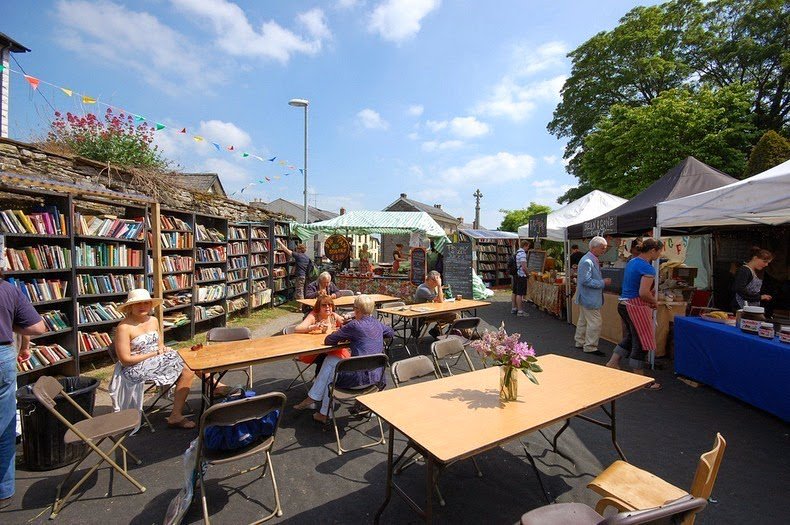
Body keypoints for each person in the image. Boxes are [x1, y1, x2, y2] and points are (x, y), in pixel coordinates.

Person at [293, 295, 394, 423]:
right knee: (331, 360)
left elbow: (329, 339)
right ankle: (317, 402)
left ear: (356, 310)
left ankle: (320, 408)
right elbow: (390, 332)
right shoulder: (377, 324)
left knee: (331, 370)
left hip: (356, 381)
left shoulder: (354, 325)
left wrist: (347, 332)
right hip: (376, 380)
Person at [114, 289, 197, 428]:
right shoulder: (124, 328)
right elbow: (126, 360)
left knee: (190, 358)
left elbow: (159, 344)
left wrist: (163, 350)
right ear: (130, 307)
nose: (143, 306)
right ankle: (175, 416)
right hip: (135, 367)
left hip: (156, 359)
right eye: (138, 304)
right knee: (187, 370)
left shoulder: (153, 320)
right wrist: (155, 354)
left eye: (146, 303)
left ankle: (216, 387)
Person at [0, 277, 46, 509]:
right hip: (2, 354)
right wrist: (8, 324)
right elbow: (37, 327)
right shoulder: (7, 289)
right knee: (4, 422)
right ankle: (4, 490)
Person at [605, 238, 664, 390]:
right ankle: (640, 378)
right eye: (660, 251)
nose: (660, 254)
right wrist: (654, 302)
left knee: (631, 337)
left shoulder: (632, 261)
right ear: (653, 251)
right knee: (641, 340)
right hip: (635, 306)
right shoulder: (648, 268)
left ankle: (612, 362)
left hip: (624, 304)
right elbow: (643, 293)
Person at [573, 236, 611, 356]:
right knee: (595, 322)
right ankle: (590, 346)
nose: (603, 250)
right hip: (589, 297)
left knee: (583, 320)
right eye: (602, 248)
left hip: (587, 296)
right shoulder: (587, 261)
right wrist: (602, 282)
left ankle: (580, 341)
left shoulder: (589, 259)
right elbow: (585, 280)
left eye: (604, 248)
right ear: (593, 247)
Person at [294, 294, 351, 371]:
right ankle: (323, 380)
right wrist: (313, 327)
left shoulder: (333, 316)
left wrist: (347, 319)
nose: (327, 307)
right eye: (324, 305)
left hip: (330, 348)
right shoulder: (314, 316)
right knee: (327, 358)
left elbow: (346, 323)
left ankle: (335, 379)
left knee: (341, 356)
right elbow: (297, 328)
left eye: (330, 305)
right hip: (314, 350)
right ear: (319, 307)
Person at [414, 270, 459, 338]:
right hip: (424, 314)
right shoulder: (423, 289)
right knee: (454, 316)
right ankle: (469, 335)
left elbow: (440, 299)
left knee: (454, 312)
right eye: (437, 281)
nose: (438, 282)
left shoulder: (431, 286)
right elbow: (440, 300)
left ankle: (436, 330)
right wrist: (439, 285)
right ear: (431, 280)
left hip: (432, 310)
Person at [512, 240, 530, 316]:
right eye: (528, 246)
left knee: (515, 292)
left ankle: (514, 308)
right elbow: (524, 266)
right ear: (525, 245)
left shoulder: (517, 253)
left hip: (516, 275)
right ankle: (520, 311)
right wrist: (527, 274)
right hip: (521, 275)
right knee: (520, 293)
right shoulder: (522, 254)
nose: (528, 248)